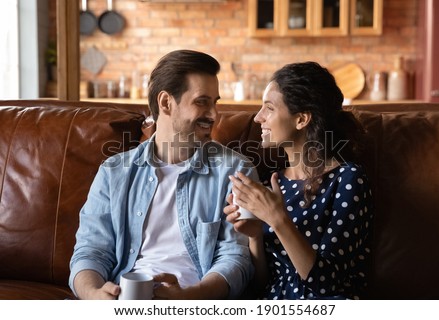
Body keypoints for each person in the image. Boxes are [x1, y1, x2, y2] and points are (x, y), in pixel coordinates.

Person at [69, 50, 258, 300]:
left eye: (215, 102)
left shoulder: (235, 171)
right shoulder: (114, 172)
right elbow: (90, 251)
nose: (214, 114)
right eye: (202, 102)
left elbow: (235, 258)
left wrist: (190, 297)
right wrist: (93, 295)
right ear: (166, 103)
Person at [225, 61, 374, 300]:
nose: (258, 118)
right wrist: (254, 234)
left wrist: (277, 218)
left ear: (302, 119)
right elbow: (263, 284)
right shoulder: (273, 183)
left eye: (269, 108)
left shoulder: (348, 180)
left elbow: (326, 284)